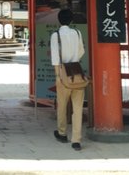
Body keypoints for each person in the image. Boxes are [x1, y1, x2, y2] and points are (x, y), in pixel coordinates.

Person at [50, 8, 85, 151]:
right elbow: (81, 51)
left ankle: (62, 133)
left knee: (62, 105)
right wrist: (74, 59)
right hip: (77, 72)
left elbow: (55, 58)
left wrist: (58, 75)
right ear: (71, 20)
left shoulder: (55, 35)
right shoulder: (77, 33)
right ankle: (76, 140)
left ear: (59, 20)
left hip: (63, 73)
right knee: (78, 108)